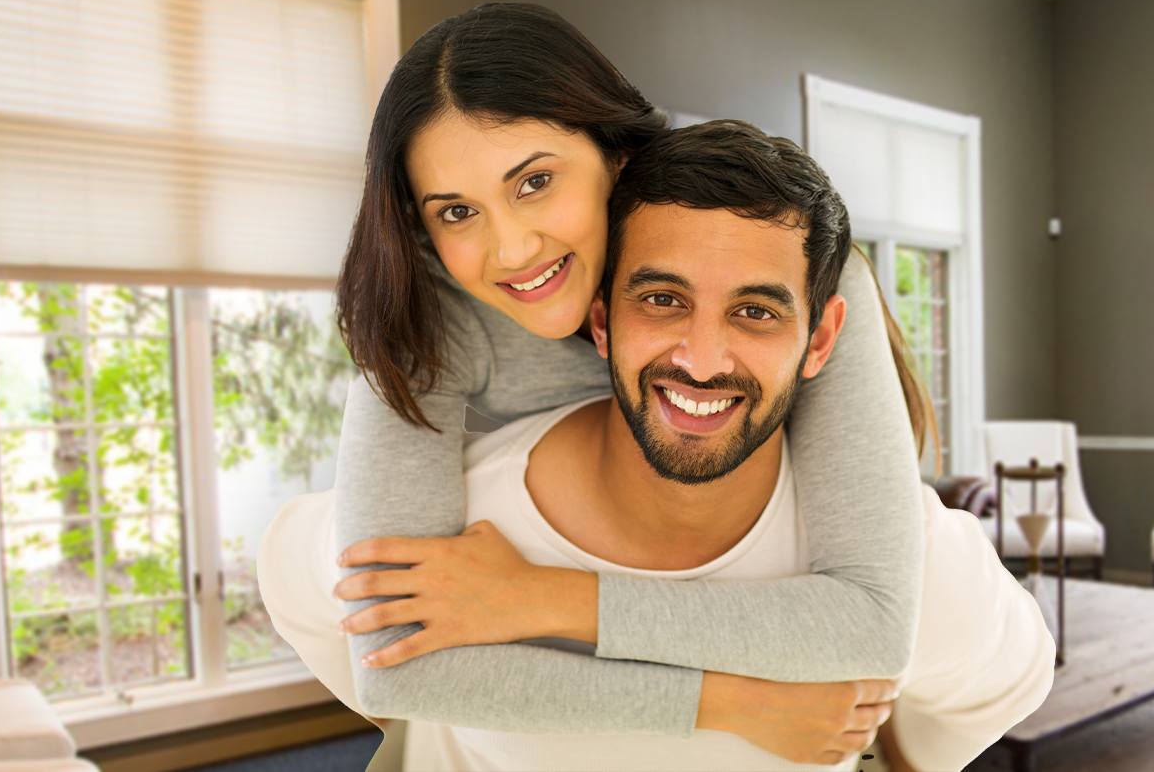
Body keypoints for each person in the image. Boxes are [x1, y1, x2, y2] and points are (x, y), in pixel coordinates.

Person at [261, 120, 1054, 770]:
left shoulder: (906, 555)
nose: (702, 360)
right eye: (663, 299)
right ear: (600, 320)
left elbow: (1004, 683)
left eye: (757, 312)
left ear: (823, 340)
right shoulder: (451, 529)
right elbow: (310, 588)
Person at [322, 1, 934, 754]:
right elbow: (397, 665)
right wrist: (726, 701)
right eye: (456, 211)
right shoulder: (422, 310)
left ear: (614, 155)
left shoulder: (772, 260)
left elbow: (871, 624)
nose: (511, 248)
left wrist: (539, 599)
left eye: (535, 181)